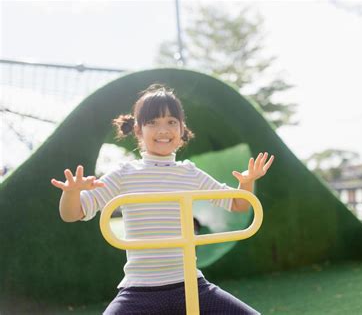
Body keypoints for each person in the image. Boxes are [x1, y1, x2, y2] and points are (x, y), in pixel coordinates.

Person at [51, 83, 274, 314]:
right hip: (140, 290)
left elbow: (238, 205)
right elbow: (72, 213)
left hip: (189, 283)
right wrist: (72, 192)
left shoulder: (189, 172)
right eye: (153, 122)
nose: (163, 129)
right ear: (138, 130)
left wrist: (246, 182)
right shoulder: (124, 174)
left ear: (181, 130)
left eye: (171, 122)